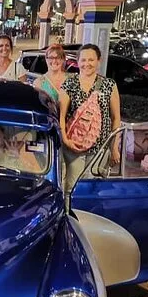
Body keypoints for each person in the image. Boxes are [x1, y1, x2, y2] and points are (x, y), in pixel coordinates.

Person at [60, 44, 122, 195]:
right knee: (71, 188)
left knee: (94, 189)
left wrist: (114, 148)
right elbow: (61, 115)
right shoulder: (69, 84)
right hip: (74, 147)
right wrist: (65, 140)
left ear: (98, 61)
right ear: (77, 62)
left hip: (100, 148)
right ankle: (70, 210)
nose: (87, 64)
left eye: (91, 60)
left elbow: (116, 118)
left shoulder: (109, 85)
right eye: (83, 60)